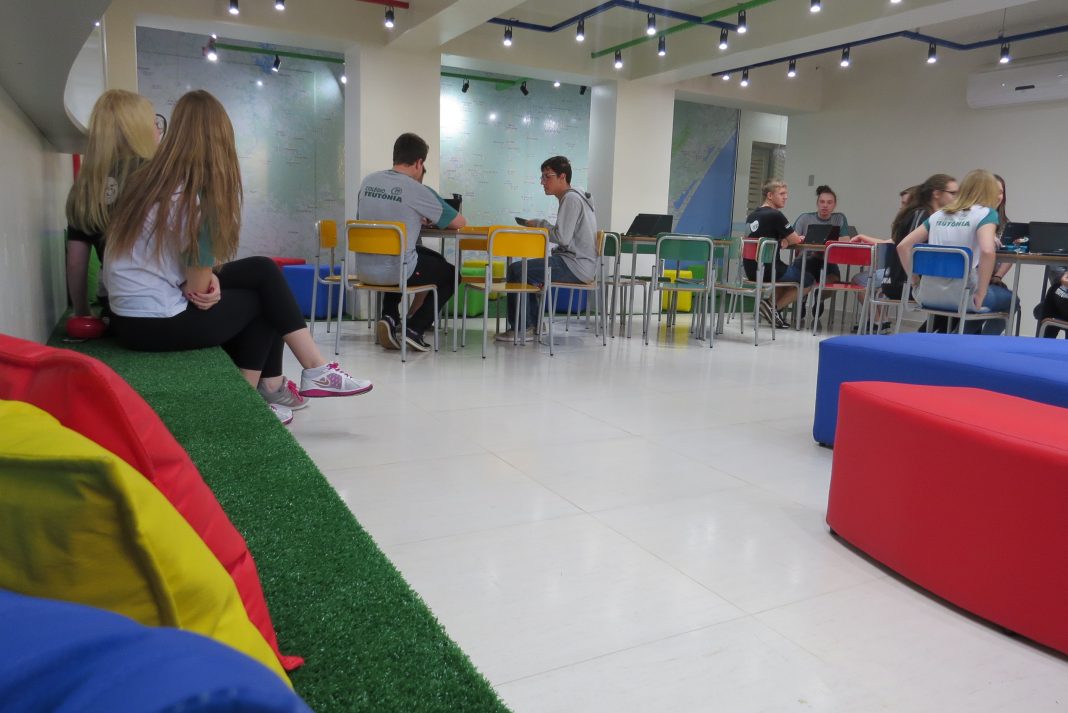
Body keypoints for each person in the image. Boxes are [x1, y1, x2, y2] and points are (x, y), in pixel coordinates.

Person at [103, 90, 371, 425]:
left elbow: (183, 270)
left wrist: (209, 278)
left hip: (127, 318)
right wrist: (207, 280)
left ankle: (283, 381)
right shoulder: (191, 196)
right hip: (153, 322)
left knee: (262, 270)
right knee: (262, 298)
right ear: (220, 144)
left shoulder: (150, 181)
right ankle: (255, 396)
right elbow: (197, 288)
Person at [356, 133, 464, 352]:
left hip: (364, 269)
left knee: (415, 255)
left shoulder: (368, 181)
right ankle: (415, 328)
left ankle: (389, 316)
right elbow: (459, 222)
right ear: (419, 163)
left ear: (395, 156)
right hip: (396, 270)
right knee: (452, 274)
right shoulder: (416, 189)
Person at [65, 90, 159, 317]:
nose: (158, 130)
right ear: (138, 131)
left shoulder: (85, 187)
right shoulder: (158, 177)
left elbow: (76, 262)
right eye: (154, 123)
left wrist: (82, 314)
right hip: (160, 302)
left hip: (114, 304)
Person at [896, 169, 1011, 335]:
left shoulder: (939, 214)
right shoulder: (986, 214)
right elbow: (987, 251)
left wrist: (915, 283)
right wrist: (981, 292)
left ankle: (963, 338)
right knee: (1011, 300)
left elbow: (903, 246)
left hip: (928, 294)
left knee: (974, 306)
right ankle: (979, 344)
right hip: (963, 295)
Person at [504, 155, 596, 341]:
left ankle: (524, 328)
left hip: (575, 265)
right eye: (542, 177)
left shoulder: (571, 198)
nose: (542, 182)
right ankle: (535, 324)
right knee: (525, 271)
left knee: (517, 270)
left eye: (547, 176)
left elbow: (562, 237)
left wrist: (540, 224)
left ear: (562, 177)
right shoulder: (575, 197)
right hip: (579, 264)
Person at [744, 179, 803, 328]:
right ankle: (771, 308)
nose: (786, 197)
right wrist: (792, 238)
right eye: (782, 194)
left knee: (788, 277)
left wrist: (783, 238)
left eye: (786, 194)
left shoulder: (752, 215)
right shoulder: (775, 215)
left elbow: (769, 234)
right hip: (770, 270)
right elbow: (796, 239)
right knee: (807, 279)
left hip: (752, 271)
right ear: (770, 196)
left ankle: (769, 307)